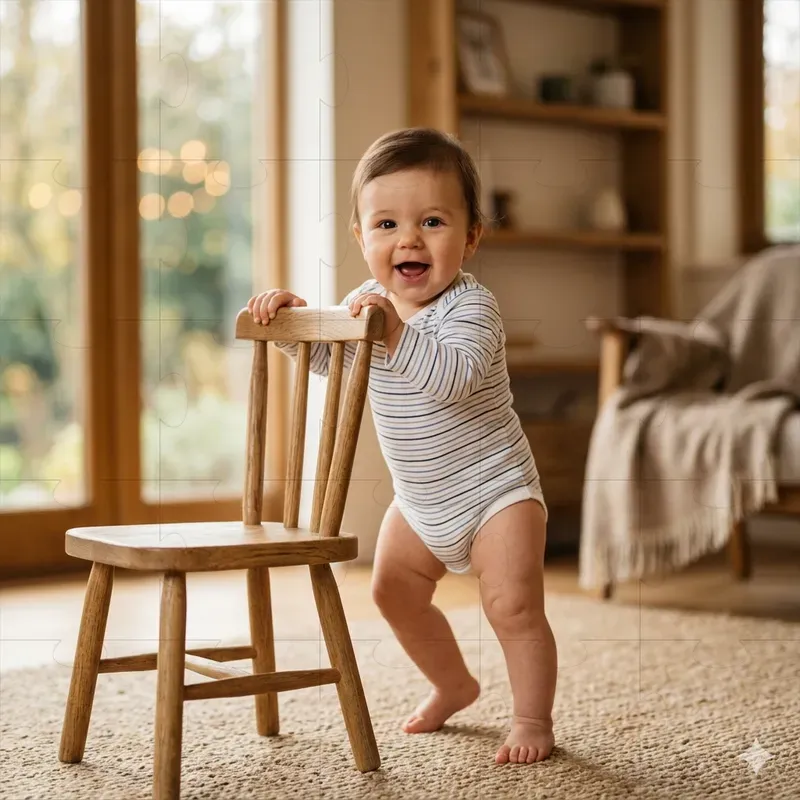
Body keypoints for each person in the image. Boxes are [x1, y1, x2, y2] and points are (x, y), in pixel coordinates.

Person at [247, 127, 557, 765]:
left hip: (496, 492)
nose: (409, 239)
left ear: (470, 237)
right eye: (386, 224)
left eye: (432, 222)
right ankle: (454, 683)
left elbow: (451, 378)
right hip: (419, 502)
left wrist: (391, 332)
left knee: (513, 605)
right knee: (392, 592)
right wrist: (293, 325)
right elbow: (333, 365)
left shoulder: (473, 308)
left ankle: (532, 718)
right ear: (361, 238)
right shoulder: (366, 305)